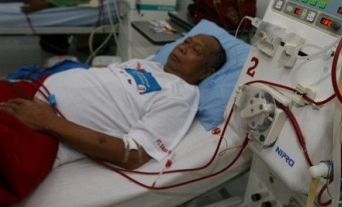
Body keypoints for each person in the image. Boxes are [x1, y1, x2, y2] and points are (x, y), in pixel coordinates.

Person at [0, 34, 227, 203]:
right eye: (186, 42)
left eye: (194, 49)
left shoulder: (181, 95)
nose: (182, 48)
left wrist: (48, 122)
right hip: (31, 91)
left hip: (43, 131)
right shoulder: (150, 65)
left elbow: (133, 154)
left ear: (206, 73)